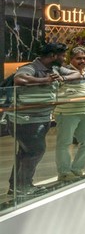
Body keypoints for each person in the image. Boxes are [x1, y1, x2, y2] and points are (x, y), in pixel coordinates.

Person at [6, 41, 66, 194]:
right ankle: (23, 186)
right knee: (36, 151)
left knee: (25, 152)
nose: (65, 58)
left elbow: (76, 73)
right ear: (53, 56)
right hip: (26, 119)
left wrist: (61, 77)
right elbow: (20, 79)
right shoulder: (31, 68)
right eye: (62, 55)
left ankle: (15, 186)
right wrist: (45, 80)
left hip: (40, 116)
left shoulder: (52, 68)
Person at [55, 46, 85, 182]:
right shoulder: (63, 70)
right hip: (67, 113)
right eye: (79, 58)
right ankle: (64, 173)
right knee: (64, 142)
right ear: (71, 59)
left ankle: (76, 169)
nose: (82, 61)